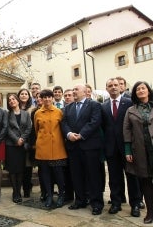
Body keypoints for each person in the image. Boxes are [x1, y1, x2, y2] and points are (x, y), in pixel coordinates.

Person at [61, 84, 104, 215]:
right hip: (73, 147)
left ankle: (96, 203)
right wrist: (69, 134)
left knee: (93, 176)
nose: (73, 92)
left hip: (90, 146)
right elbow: (64, 123)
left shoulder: (94, 105)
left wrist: (81, 135)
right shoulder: (68, 108)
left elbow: (95, 121)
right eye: (72, 89)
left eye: (76, 90)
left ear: (85, 92)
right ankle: (80, 200)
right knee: (76, 175)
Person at [102, 78, 141, 217]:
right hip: (111, 148)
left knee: (132, 177)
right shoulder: (103, 106)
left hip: (127, 147)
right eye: (110, 86)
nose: (113, 87)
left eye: (116, 85)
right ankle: (116, 202)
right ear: (106, 89)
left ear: (121, 87)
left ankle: (135, 204)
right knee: (114, 177)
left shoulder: (129, 103)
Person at [123, 81, 153, 224]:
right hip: (140, 151)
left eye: (143, 88)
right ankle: (150, 212)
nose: (141, 90)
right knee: (145, 182)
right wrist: (128, 150)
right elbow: (127, 131)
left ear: (148, 90)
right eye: (138, 89)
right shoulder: (131, 110)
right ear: (135, 93)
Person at [34, 89, 67, 208]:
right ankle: (49, 195)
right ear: (41, 100)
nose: (47, 99)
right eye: (44, 97)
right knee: (45, 173)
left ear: (52, 98)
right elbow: (36, 129)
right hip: (43, 148)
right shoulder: (37, 113)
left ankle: (61, 195)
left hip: (57, 147)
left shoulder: (59, 112)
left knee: (58, 173)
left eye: (49, 97)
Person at [6, 93, 32, 203]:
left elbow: (29, 127)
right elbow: (7, 129)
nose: (12, 101)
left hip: (22, 145)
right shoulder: (7, 114)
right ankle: (15, 191)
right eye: (9, 100)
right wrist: (16, 139)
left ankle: (19, 191)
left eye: (13, 99)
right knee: (12, 169)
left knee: (21, 169)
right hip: (11, 145)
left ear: (17, 101)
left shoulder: (26, 114)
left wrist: (22, 139)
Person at [18, 88, 34, 198]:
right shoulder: (14, 107)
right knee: (18, 167)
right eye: (22, 94)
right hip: (16, 141)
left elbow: (32, 127)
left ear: (29, 96)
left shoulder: (33, 109)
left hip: (28, 141)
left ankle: (27, 188)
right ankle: (18, 188)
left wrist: (27, 140)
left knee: (28, 167)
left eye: (26, 94)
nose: (24, 95)